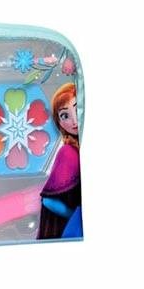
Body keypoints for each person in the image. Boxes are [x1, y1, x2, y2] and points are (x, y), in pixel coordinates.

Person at [37, 83, 82, 239]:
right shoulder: (68, 153)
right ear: (59, 122)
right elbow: (49, 201)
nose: (74, 121)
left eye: (78, 109)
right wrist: (76, 215)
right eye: (65, 116)